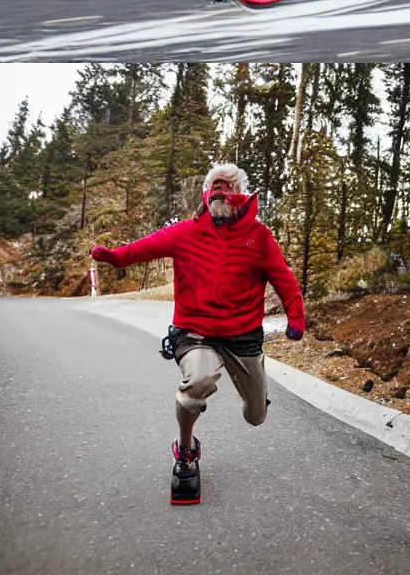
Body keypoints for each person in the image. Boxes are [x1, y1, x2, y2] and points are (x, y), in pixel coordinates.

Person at [90, 163, 305, 505]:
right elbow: (145, 247)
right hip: (196, 332)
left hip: (243, 336)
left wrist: (296, 315)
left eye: (227, 185)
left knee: (256, 416)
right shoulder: (186, 232)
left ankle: (255, 385)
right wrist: (115, 258)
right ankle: (186, 452)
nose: (220, 191)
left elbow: (284, 279)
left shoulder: (259, 237)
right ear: (206, 194)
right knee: (197, 384)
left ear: (241, 194)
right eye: (214, 185)